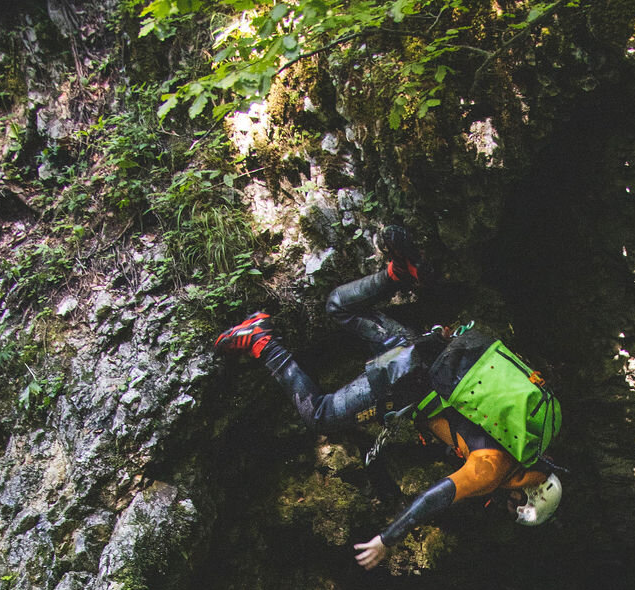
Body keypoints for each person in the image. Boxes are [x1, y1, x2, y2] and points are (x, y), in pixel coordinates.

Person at [214, 227, 561, 569]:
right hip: (405, 378)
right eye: (514, 503)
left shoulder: (521, 431)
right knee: (319, 415)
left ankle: (398, 274)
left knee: (338, 305)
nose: (506, 502)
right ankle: (261, 340)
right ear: (529, 495)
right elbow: (435, 497)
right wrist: (387, 539)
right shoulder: (494, 468)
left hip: (429, 350)